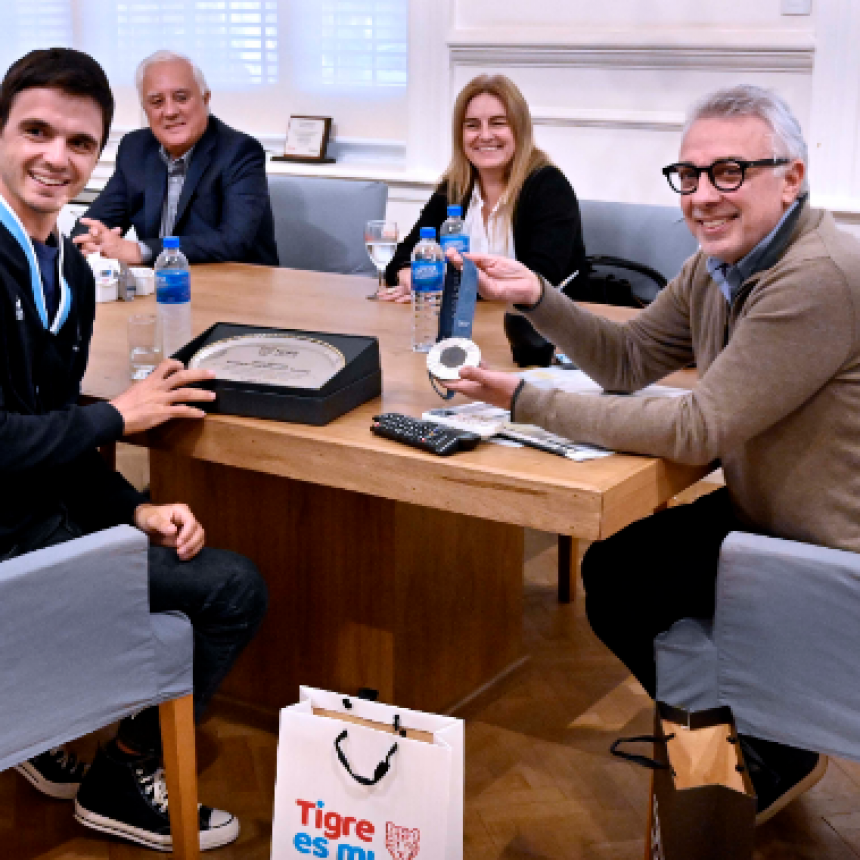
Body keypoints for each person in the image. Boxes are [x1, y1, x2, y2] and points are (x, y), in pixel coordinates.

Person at [443, 84, 860, 824]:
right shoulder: (717, 266)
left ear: (792, 177)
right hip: (766, 514)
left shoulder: (817, 277)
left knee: (632, 582)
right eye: (690, 175)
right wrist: (540, 295)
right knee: (620, 573)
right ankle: (752, 746)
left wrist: (522, 399)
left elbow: (697, 429)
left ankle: (752, 752)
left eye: (729, 172)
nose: (703, 195)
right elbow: (630, 359)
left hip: (827, 548)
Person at [0, 48, 268, 850]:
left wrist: (138, 508)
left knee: (188, 553)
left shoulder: (73, 279)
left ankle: (46, 729)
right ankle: (123, 773)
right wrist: (119, 415)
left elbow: (59, 441)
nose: (57, 156)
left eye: (79, 144)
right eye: (36, 132)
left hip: (41, 524)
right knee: (233, 591)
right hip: (8, 548)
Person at [382, 74, 585, 365]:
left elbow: (538, 281)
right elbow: (404, 256)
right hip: (471, 335)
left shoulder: (548, 187)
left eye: (498, 123)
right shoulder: (455, 187)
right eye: (472, 125)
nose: (485, 135)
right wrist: (410, 276)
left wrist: (444, 284)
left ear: (519, 129)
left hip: (537, 344)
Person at [71, 49, 278, 266]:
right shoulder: (135, 149)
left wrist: (141, 251)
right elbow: (94, 221)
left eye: (181, 98)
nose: (169, 111)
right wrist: (92, 241)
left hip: (239, 285)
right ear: (145, 109)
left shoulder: (240, 151)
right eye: (157, 102)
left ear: (205, 99)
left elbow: (234, 241)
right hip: (161, 286)